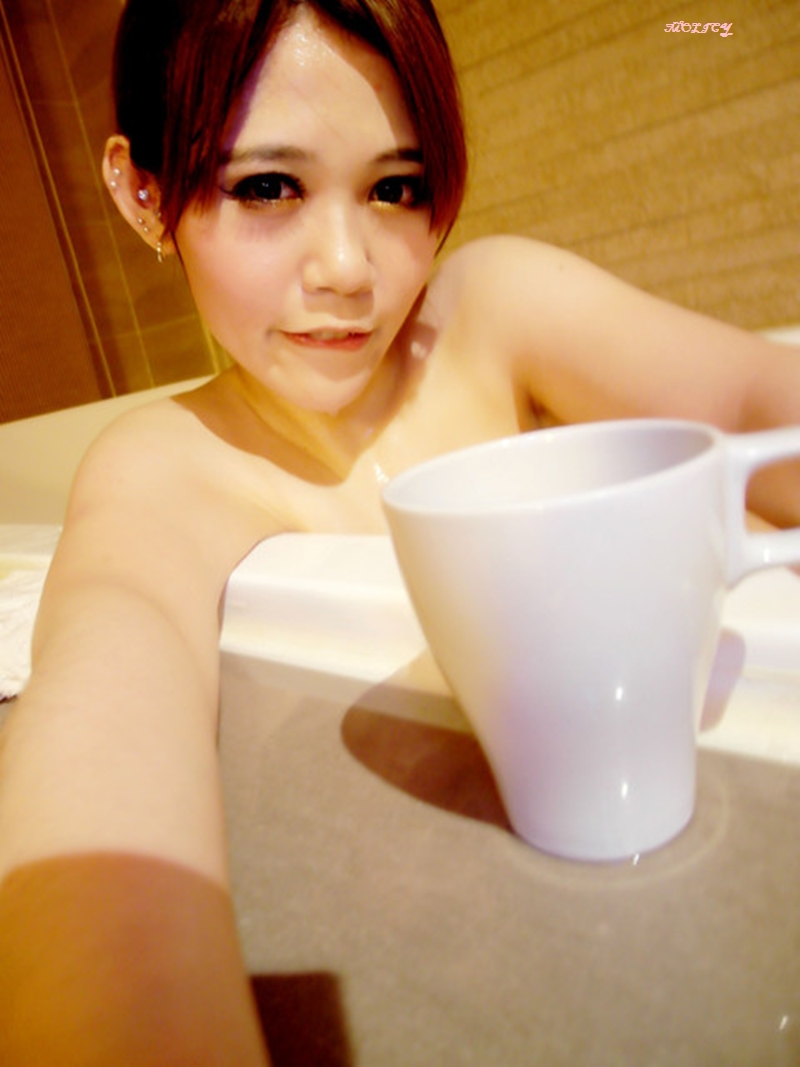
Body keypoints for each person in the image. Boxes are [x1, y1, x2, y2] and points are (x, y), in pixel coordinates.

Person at [0, 0, 798, 1062]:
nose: (348, 266)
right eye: (267, 187)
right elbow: (104, 731)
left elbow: (755, 403)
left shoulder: (491, 314)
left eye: (395, 188)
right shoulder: (167, 467)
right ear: (143, 190)